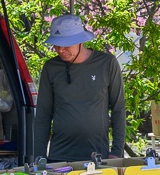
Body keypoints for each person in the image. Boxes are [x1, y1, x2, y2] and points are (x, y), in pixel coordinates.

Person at [33, 15, 127, 162]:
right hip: (59, 155)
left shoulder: (106, 63)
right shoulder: (51, 67)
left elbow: (118, 108)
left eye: (66, 45)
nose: (60, 50)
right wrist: (39, 156)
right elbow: (43, 114)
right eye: (56, 45)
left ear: (80, 42)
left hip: (96, 154)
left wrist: (116, 151)